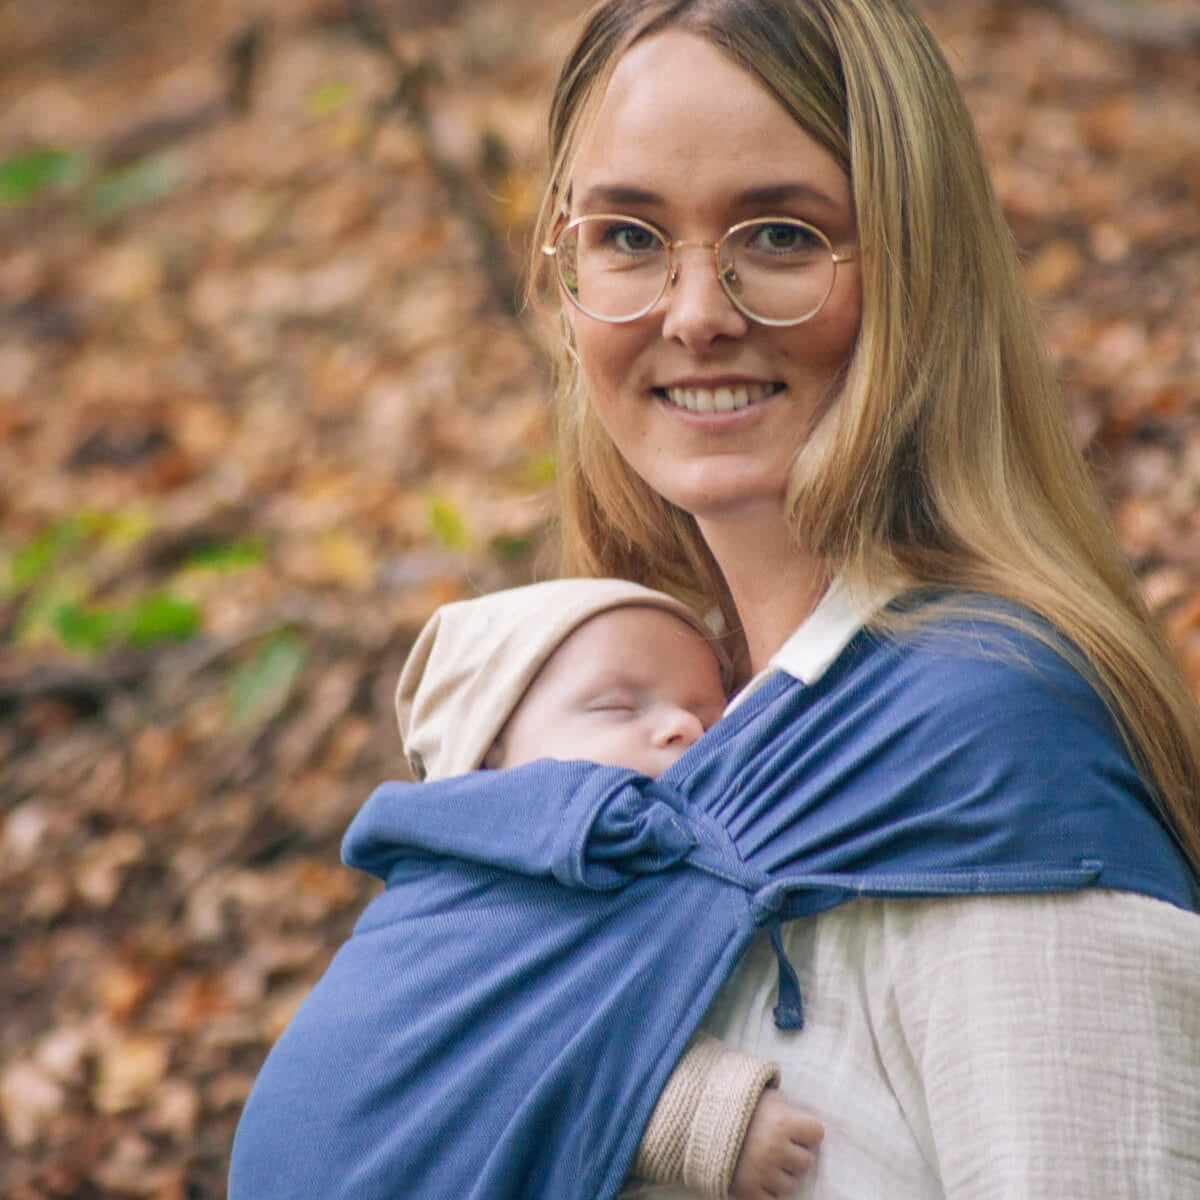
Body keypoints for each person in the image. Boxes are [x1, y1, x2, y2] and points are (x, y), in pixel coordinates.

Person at [526, 0, 1200, 1196]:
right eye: (629, 236)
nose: (694, 314)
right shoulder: (639, 728)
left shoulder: (999, 768)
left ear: (920, 268)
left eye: (780, 235)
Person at [229, 578, 824, 1200]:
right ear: (488, 753)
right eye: (620, 707)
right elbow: (517, 1045)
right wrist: (703, 1113)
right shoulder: (488, 885)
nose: (681, 726)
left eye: (709, 717)